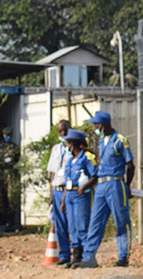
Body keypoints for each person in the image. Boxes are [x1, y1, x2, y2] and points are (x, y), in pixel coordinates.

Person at [74, 111, 134, 268]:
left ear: (104, 124)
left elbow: (130, 165)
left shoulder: (120, 140)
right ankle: (89, 257)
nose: (95, 127)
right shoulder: (101, 141)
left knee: (121, 220)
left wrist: (127, 186)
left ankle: (123, 256)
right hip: (101, 184)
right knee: (95, 221)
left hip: (116, 183)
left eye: (97, 124)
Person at [61, 129, 98, 268]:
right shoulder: (70, 161)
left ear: (73, 144)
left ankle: (87, 256)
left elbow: (95, 175)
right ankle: (76, 255)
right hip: (70, 195)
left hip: (81, 194)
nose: (66, 146)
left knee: (82, 226)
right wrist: (64, 200)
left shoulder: (85, 158)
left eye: (68, 143)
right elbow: (67, 182)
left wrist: (84, 187)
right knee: (72, 227)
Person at [46, 120, 72, 265]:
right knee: (60, 224)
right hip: (57, 189)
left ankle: (77, 254)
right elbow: (52, 173)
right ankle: (64, 254)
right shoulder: (55, 149)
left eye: (64, 131)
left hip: (68, 190)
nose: (62, 134)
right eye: (60, 131)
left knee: (71, 224)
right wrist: (51, 195)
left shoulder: (74, 147)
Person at [0, 125, 21, 232]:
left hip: (11, 175)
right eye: (5, 135)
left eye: (9, 135)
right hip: (0, 175)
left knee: (11, 199)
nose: (7, 137)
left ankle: (11, 223)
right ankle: (2, 223)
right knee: (1, 199)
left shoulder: (15, 147)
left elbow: (15, 160)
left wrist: (8, 161)